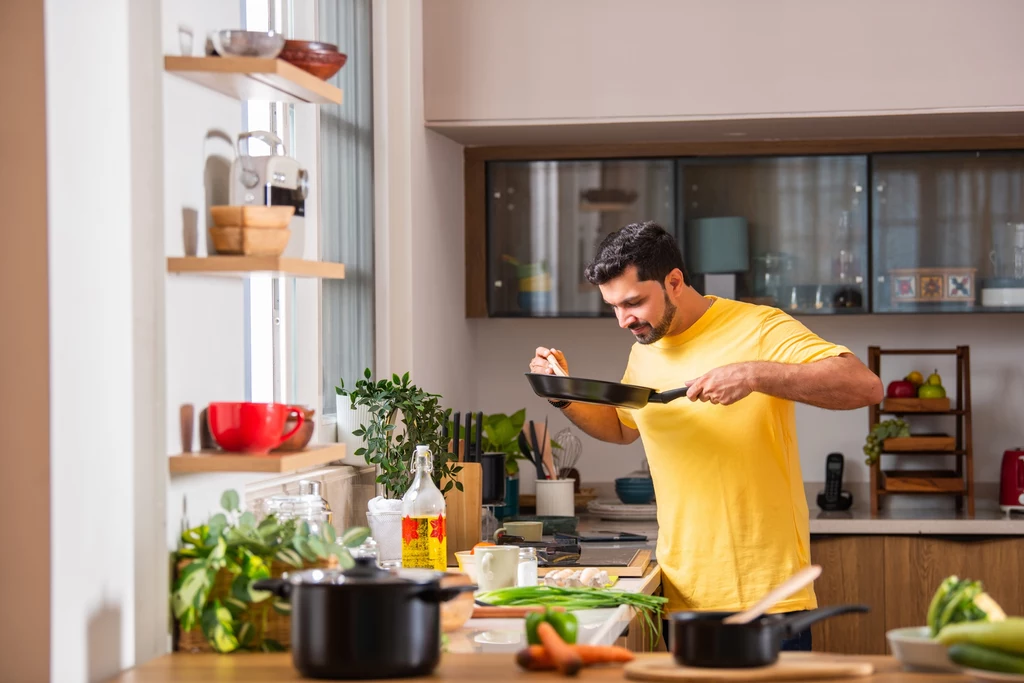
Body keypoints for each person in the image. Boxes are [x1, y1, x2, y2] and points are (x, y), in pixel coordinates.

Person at [528, 221, 883, 651]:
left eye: (634, 302)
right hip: (683, 593)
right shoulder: (645, 349)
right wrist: (561, 394)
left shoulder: (760, 326)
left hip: (767, 595)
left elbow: (864, 386)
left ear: (674, 282)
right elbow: (623, 428)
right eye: (614, 307)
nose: (624, 320)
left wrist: (754, 373)